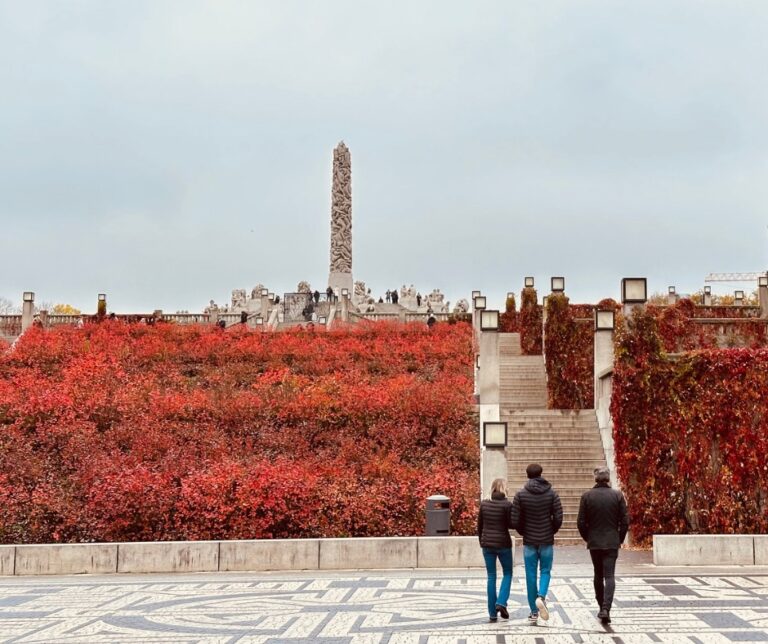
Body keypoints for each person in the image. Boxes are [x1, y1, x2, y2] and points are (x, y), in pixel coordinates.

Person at [510, 463, 563, 625]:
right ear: (541, 474)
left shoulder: (520, 495)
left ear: (527, 475)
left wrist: (524, 532)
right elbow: (558, 517)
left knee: (530, 575)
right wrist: (550, 530)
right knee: (546, 570)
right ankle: (541, 596)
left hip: (529, 541)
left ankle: (534, 611)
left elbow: (515, 520)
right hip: (546, 539)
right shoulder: (552, 494)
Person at [577, 466, 629, 624]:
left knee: (598, 575)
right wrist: (619, 538)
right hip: (612, 541)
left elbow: (580, 522)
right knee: (610, 575)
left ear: (595, 478)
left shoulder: (587, 496)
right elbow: (625, 521)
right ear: (608, 478)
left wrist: (588, 537)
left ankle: (601, 607)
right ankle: (606, 608)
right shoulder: (617, 495)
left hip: (594, 542)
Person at [477, 478, 513, 623]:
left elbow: (479, 526)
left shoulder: (484, 504)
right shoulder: (507, 505)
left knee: (491, 576)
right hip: (503, 543)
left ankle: (492, 613)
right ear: (504, 489)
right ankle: (502, 602)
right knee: (508, 573)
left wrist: (482, 541)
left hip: (487, 545)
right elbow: (511, 524)